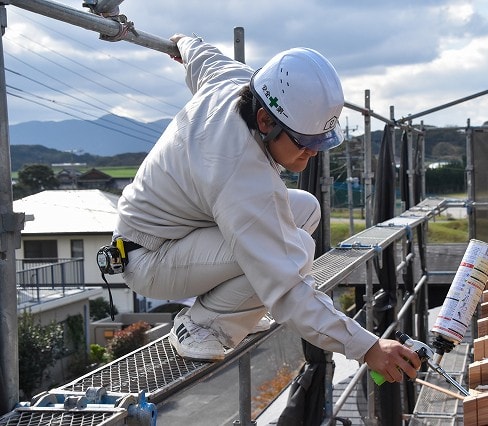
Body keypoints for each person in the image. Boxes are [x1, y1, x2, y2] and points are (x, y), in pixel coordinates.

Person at [113, 34, 420, 384]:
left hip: (177, 240)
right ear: (264, 121)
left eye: (320, 143)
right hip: (150, 259)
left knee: (304, 209)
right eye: (305, 142)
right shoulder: (240, 173)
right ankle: (200, 326)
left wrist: (183, 42)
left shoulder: (234, 81)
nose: (313, 153)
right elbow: (287, 288)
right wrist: (367, 347)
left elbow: (203, 56)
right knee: (295, 250)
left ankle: (235, 311)